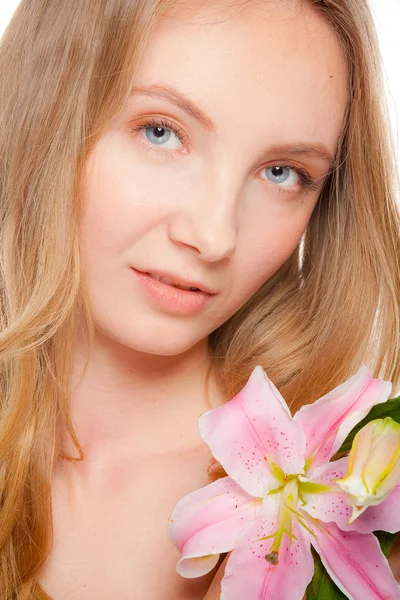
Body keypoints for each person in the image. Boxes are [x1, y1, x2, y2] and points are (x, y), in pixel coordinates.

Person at [0, 0, 399, 598]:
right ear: (45, 113)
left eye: (283, 173)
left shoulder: (357, 494)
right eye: (161, 132)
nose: (215, 237)